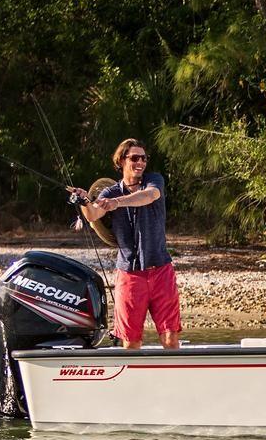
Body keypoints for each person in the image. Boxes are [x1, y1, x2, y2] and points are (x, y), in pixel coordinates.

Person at [69, 139, 182, 349]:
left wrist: (118, 203)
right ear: (121, 161)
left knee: (170, 339)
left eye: (143, 158)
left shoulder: (153, 181)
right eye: (134, 158)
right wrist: (83, 201)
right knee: (130, 342)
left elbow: (149, 196)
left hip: (161, 271)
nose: (140, 162)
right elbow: (93, 214)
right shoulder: (110, 192)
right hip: (129, 275)